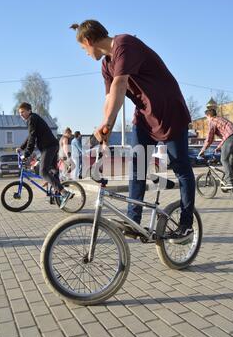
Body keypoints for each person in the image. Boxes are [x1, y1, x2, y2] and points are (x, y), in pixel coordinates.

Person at [70, 20, 195, 241]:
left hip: (169, 112)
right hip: (144, 117)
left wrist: (108, 123)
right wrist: (104, 127)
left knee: (181, 168)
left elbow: (120, 84)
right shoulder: (105, 64)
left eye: (82, 49)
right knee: (137, 166)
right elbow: (109, 97)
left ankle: (186, 225)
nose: (84, 53)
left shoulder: (124, 44)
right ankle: (133, 221)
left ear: (88, 41)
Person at [16, 102, 72, 208]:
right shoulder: (33, 118)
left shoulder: (31, 119)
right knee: (53, 171)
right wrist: (22, 147)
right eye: (19, 113)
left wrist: (26, 154)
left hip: (49, 147)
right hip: (52, 145)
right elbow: (30, 136)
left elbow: (32, 137)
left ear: (29, 110)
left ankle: (64, 193)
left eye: (22, 112)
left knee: (43, 171)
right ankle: (57, 197)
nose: (21, 114)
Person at [199, 109, 233, 189]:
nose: (207, 119)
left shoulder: (212, 121)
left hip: (231, 136)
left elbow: (209, 138)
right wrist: (219, 147)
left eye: (206, 117)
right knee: (230, 160)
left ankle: (229, 182)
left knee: (223, 159)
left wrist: (202, 150)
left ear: (208, 116)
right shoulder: (221, 119)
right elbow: (225, 136)